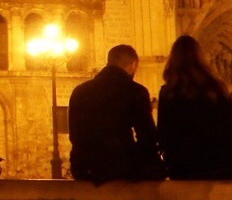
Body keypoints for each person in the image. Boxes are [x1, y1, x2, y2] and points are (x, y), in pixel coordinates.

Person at [68, 44, 164, 184]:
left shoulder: (80, 91)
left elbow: (74, 135)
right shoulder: (135, 91)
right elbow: (147, 136)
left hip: (84, 168)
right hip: (120, 167)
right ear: (133, 65)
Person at [157, 35, 232, 181]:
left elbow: (164, 134)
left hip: (183, 168)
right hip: (218, 165)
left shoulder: (169, 93)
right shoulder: (218, 90)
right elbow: (231, 130)